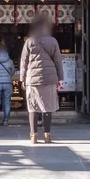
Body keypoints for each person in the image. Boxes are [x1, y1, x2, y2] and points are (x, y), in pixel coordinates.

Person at [20, 12, 63, 144]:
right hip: (49, 79)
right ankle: (47, 136)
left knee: (33, 107)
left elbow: (24, 61)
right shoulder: (53, 41)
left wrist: (22, 78)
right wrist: (60, 78)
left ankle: (33, 136)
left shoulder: (29, 41)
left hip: (33, 79)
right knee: (47, 107)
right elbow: (58, 61)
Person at [0, 38, 16, 126]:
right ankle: (5, 120)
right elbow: (12, 72)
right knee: (7, 102)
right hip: (7, 83)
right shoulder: (9, 61)